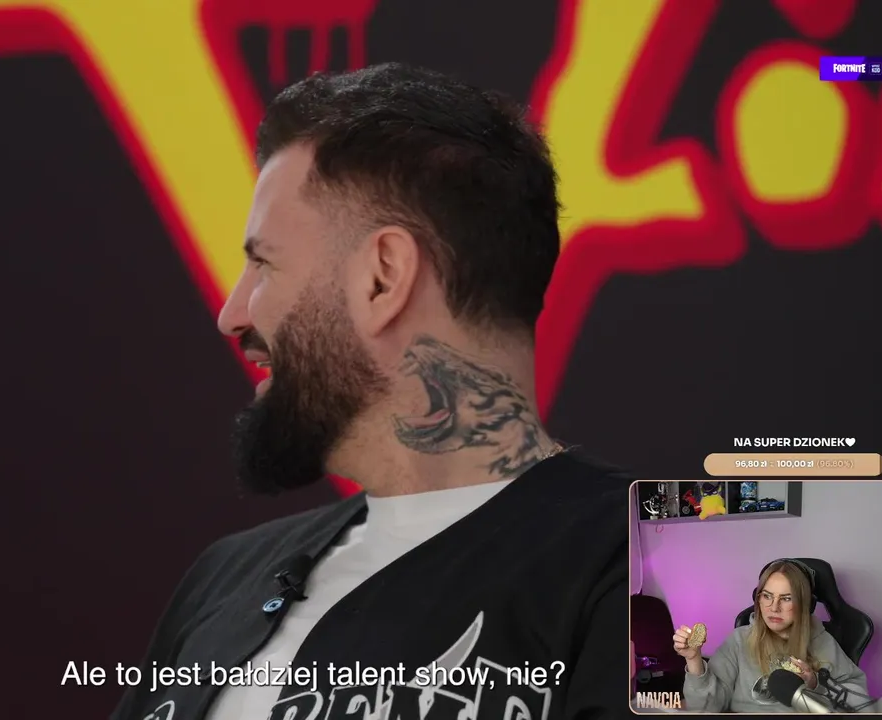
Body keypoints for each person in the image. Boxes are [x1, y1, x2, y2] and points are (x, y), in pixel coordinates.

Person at [111, 62, 630, 720]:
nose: (232, 314)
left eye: (264, 263)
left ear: (383, 277)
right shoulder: (225, 576)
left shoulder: (671, 561)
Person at [673, 559, 868, 713]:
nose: (774, 607)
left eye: (786, 598)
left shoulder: (822, 641)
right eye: (767, 596)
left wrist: (816, 684)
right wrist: (694, 659)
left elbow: (858, 701)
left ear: (805, 604)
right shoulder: (739, 640)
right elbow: (705, 708)